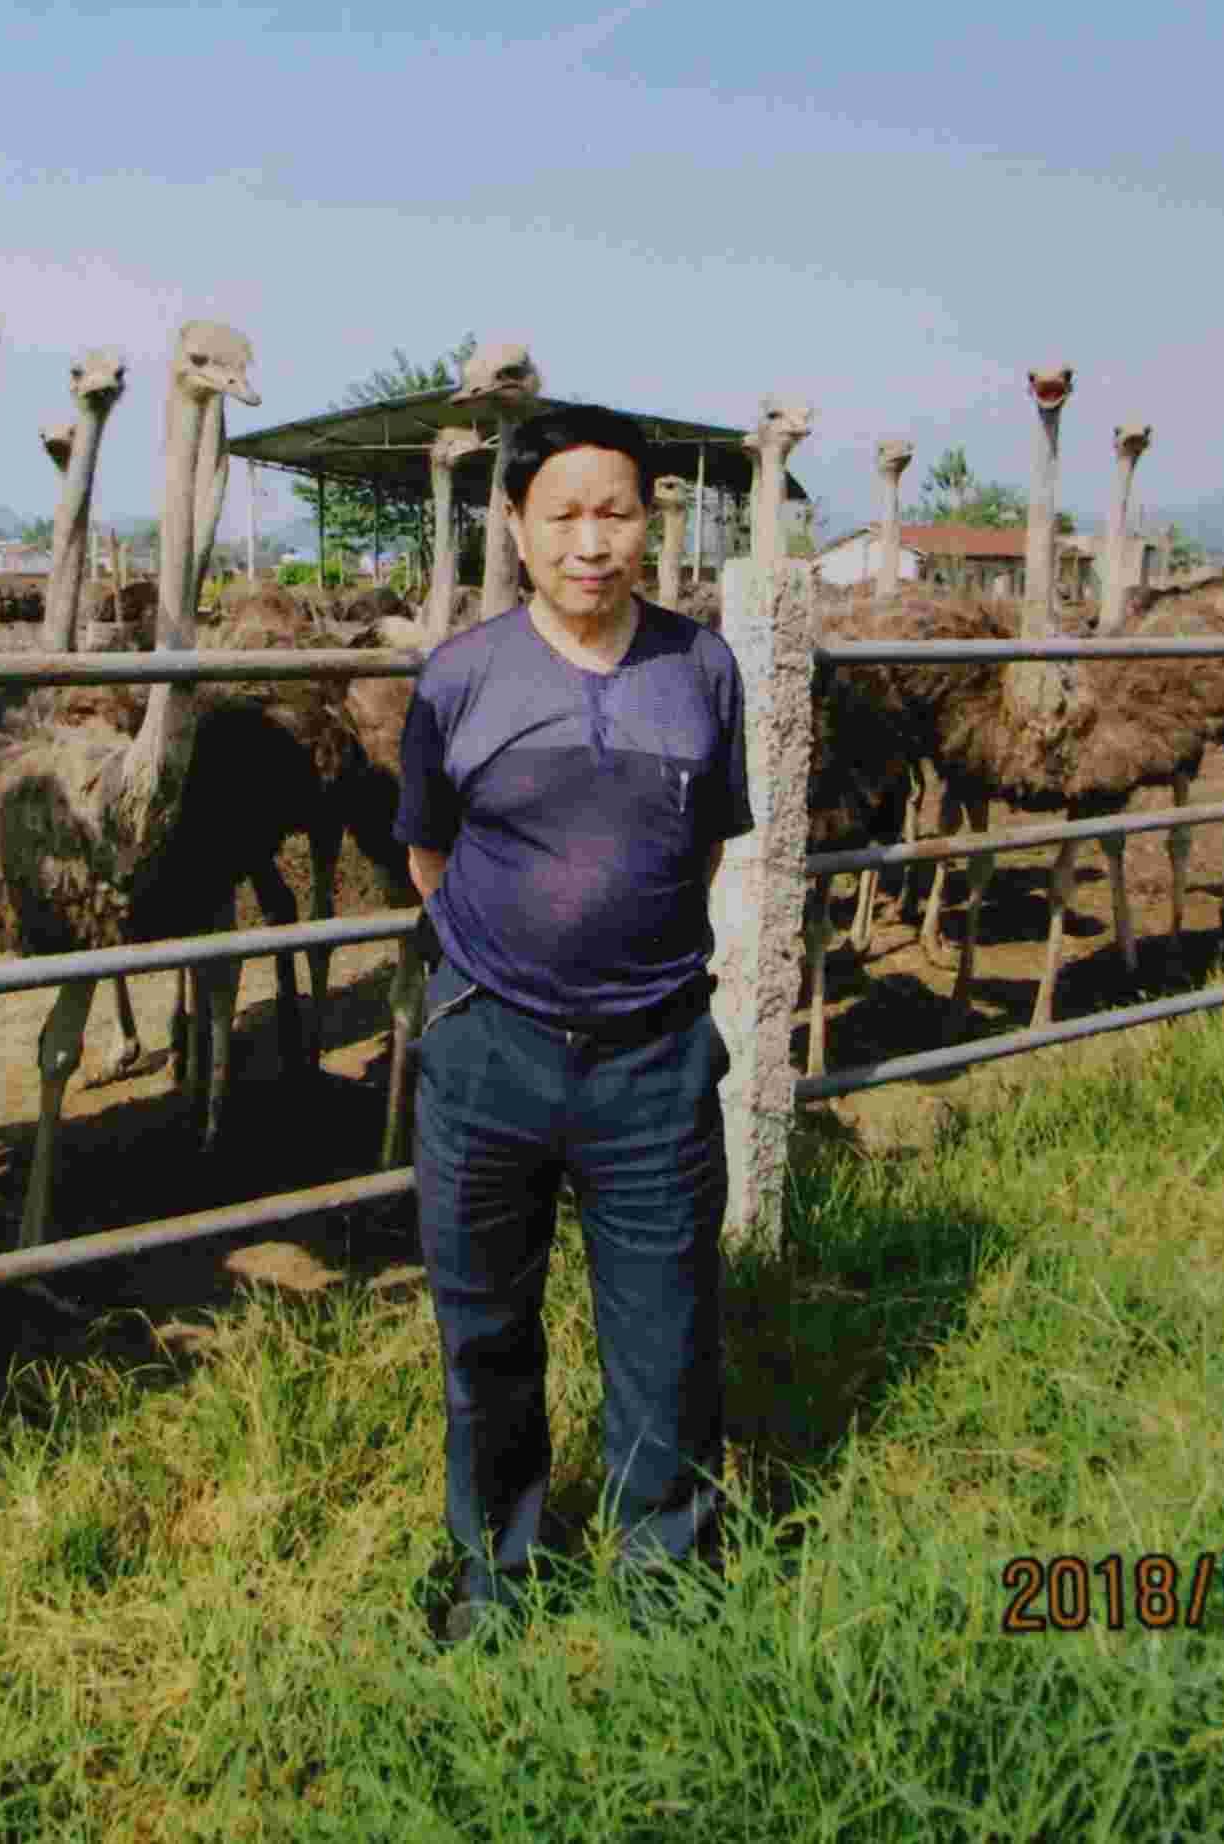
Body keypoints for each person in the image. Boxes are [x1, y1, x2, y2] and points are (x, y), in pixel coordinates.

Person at [393, 402, 752, 1645]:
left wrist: (620, 970)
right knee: (485, 1325)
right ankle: (497, 1573)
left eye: (615, 512)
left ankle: (665, 1585)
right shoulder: (459, 677)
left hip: (652, 1054)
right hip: (489, 1049)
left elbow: (699, 842)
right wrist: (509, 981)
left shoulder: (701, 668)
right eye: (563, 515)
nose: (590, 542)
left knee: (666, 1326)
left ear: (649, 520)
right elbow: (428, 855)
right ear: (514, 524)